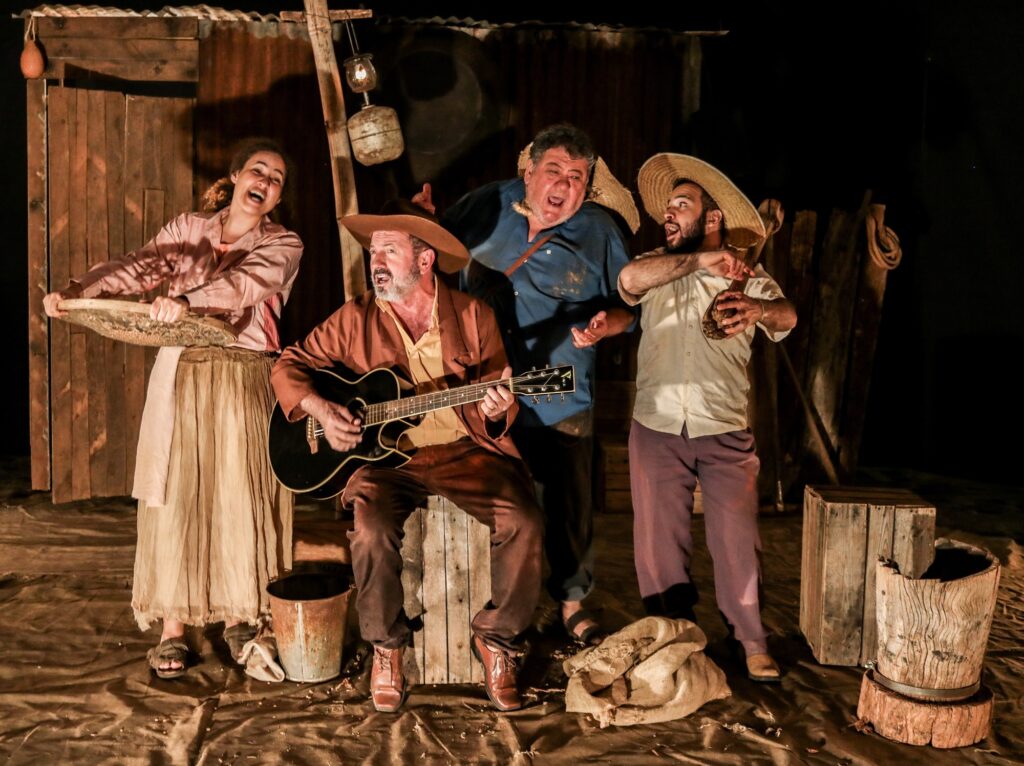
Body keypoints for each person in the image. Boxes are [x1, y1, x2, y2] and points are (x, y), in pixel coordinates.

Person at [43, 138, 303, 679]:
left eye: (276, 178)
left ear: (278, 197)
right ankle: (173, 627)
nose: (265, 181)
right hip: (181, 371)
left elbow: (246, 284)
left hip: (241, 374)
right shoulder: (190, 229)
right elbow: (139, 266)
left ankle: (240, 613)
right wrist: (80, 288)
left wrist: (187, 301)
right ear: (236, 176)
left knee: (236, 491)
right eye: (258, 170)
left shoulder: (283, 243)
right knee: (175, 491)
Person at [270, 204, 543, 713]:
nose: (376, 262)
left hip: (464, 452)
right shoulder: (355, 318)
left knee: (524, 519)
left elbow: (499, 398)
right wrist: (322, 410)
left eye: (388, 251)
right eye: (373, 251)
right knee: (370, 528)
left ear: (424, 260)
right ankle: (386, 646)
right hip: (386, 462)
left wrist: (497, 409)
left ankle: (497, 638)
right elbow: (288, 365)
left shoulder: (473, 316)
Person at [414, 123, 636, 645]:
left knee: (568, 504)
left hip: (560, 393)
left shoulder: (600, 232)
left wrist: (606, 324)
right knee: (502, 502)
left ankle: (572, 603)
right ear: (529, 171)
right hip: (482, 390)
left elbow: (630, 309)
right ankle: (498, 604)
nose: (564, 185)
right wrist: (420, 221)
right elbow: (432, 249)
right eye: (554, 170)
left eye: (577, 177)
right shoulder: (489, 203)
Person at [617, 153, 797, 682]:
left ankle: (750, 640)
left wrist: (758, 310)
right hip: (656, 426)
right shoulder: (659, 266)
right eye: (668, 206)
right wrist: (700, 262)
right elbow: (628, 278)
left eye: (681, 204)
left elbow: (787, 314)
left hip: (724, 427)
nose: (668, 214)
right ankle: (673, 636)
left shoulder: (746, 275)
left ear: (712, 218)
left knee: (736, 539)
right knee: (658, 544)